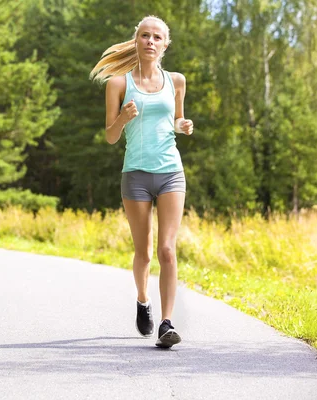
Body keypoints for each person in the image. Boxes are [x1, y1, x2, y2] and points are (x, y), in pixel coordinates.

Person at [90, 15, 194, 348]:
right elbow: (109, 136)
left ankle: (166, 323)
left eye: (157, 37)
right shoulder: (118, 84)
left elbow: (175, 118)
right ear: (136, 41)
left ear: (165, 45)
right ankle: (142, 300)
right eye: (145, 35)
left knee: (166, 249)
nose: (150, 41)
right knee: (144, 253)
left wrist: (183, 125)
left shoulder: (176, 80)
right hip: (134, 174)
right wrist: (123, 116)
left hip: (170, 172)